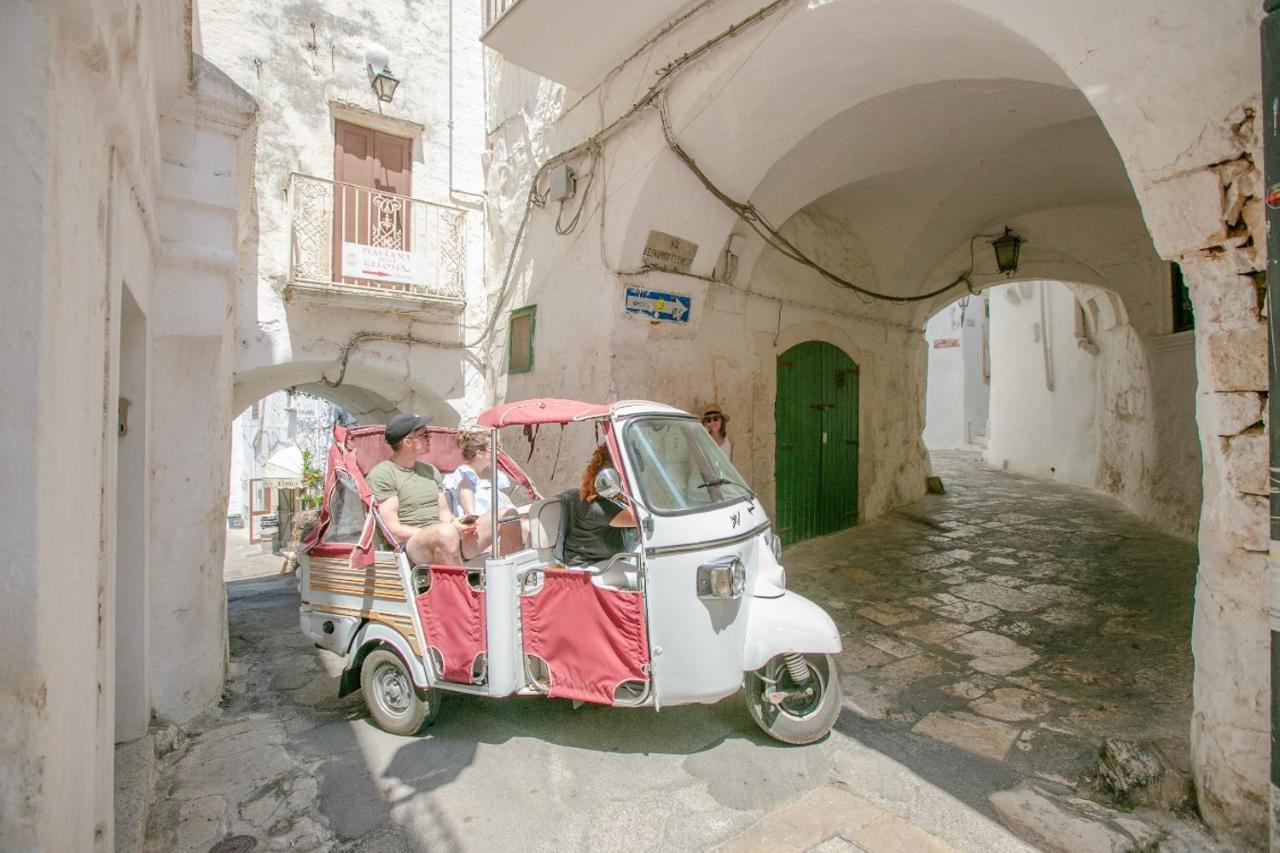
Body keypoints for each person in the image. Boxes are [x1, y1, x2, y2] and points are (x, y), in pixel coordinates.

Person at [367, 413, 475, 566]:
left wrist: (457, 523)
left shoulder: (430, 470)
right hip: (411, 545)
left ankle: (510, 586)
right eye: (425, 434)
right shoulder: (382, 475)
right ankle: (459, 588)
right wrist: (442, 531)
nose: (429, 438)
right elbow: (392, 530)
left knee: (502, 519)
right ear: (408, 442)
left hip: (443, 535)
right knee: (445, 533)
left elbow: (444, 513)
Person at [444, 430, 528, 559]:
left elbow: (509, 506)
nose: (498, 453)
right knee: (511, 521)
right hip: (478, 534)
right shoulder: (465, 476)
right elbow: (471, 516)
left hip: (500, 527)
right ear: (479, 453)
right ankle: (509, 573)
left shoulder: (494, 477)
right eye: (495, 448)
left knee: (530, 527)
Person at [562, 443, 636, 566]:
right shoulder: (597, 505)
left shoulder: (611, 498)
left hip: (609, 563)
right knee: (646, 580)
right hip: (589, 567)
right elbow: (641, 517)